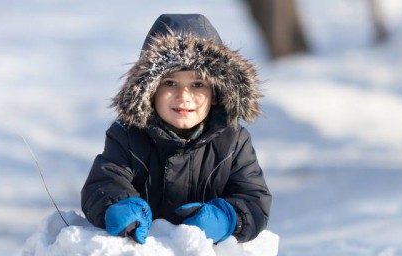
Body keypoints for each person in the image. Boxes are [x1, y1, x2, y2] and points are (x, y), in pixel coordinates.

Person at [80, 14, 271, 245]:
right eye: (170, 83)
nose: (184, 96)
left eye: (198, 84)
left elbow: (253, 197)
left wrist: (226, 217)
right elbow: (104, 182)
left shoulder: (233, 141)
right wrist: (120, 204)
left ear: (217, 91)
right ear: (149, 90)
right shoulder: (127, 135)